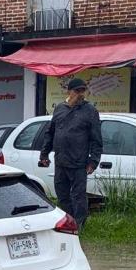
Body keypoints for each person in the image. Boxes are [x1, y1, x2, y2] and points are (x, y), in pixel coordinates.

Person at [39, 78, 102, 230]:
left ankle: (79, 226)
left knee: (78, 196)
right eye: (77, 91)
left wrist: (93, 162)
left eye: (83, 91)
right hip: (60, 162)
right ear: (69, 91)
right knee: (62, 196)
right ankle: (68, 224)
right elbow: (50, 132)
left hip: (79, 163)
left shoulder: (90, 111)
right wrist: (44, 154)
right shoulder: (60, 108)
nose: (81, 94)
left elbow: (96, 139)